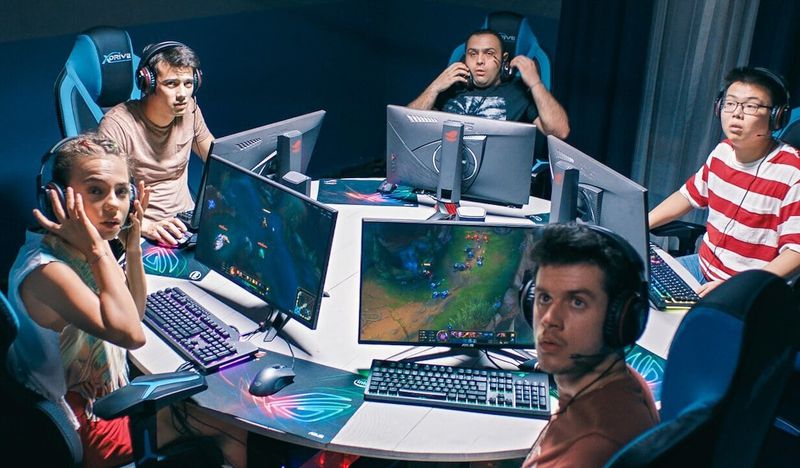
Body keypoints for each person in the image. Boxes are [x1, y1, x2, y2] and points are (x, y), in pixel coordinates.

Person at [7, 134, 246, 467]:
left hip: (107, 397)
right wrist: (98, 250)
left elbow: (133, 312)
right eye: (95, 191)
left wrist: (131, 246)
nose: (113, 206)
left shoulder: (81, 244)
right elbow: (131, 334)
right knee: (233, 425)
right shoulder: (49, 271)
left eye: (121, 192)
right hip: (92, 425)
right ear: (56, 198)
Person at [649, 67, 800, 296]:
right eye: (730, 103)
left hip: (748, 289)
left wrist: (739, 287)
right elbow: (687, 196)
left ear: (776, 116)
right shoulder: (723, 151)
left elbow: (796, 252)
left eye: (750, 106)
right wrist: (641, 224)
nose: (736, 113)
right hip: (701, 266)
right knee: (634, 281)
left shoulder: (792, 173)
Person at [522, 223, 659, 467]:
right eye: (544, 298)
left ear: (619, 319)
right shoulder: (622, 382)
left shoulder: (591, 449)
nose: (549, 319)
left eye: (577, 302)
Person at [98, 41, 213, 247]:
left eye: (188, 84)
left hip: (187, 223)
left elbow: (217, 159)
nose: (182, 94)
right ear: (148, 83)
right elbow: (103, 195)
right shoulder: (117, 125)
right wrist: (142, 226)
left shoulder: (190, 110)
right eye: (171, 84)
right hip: (143, 231)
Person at [408, 29, 569, 138]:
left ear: (504, 60)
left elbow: (560, 131)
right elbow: (407, 125)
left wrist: (535, 84)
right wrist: (434, 87)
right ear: (465, 58)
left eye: (489, 53)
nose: (479, 61)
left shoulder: (518, 91)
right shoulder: (450, 87)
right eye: (473, 54)